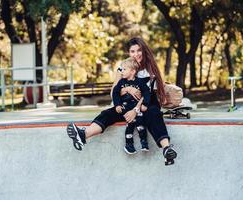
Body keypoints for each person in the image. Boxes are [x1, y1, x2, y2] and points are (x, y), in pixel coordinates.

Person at [67, 37, 177, 165]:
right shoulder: (123, 68)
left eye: (139, 50)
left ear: (144, 51)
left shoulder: (150, 70)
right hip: (127, 103)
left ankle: (166, 149)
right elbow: (114, 91)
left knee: (154, 114)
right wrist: (128, 89)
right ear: (129, 53)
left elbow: (148, 95)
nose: (136, 54)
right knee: (108, 113)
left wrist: (135, 111)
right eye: (132, 51)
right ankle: (83, 135)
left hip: (145, 105)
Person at [112, 57, 150, 154]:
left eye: (124, 69)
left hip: (136, 106)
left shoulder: (140, 82)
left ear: (133, 71)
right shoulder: (121, 82)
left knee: (140, 122)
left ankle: (144, 141)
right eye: (122, 69)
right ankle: (129, 144)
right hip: (125, 106)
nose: (122, 71)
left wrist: (145, 104)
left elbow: (146, 92)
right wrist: (117, 105)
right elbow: (115, 93)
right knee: (130, 123)